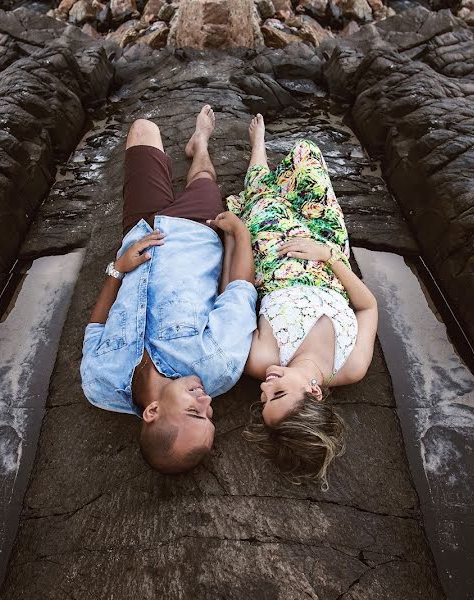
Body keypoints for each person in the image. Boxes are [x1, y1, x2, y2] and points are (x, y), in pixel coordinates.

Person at [81, 105, 257, 474]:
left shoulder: (99, 382)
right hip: (197, 230)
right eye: (210, 414)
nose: (207, 400)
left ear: (152, 412)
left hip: (141, 232)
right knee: (204, 178)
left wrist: (118, 269)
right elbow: (240, 291)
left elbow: (95, 327)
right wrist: (240, 233)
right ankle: (201, 142)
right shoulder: (217, 365)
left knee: (143, 128)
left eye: (196, 411)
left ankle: (195, 149)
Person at [227, 113, 379, 488]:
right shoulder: (352, 366)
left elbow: (238, 292)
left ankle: (258, 145)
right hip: (327, 255)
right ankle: (275, 182)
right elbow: (367, 306)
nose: (264, 388)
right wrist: (328, 256)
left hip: (275, 252)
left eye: (263, 400)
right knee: (305, 151)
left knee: (263, 197)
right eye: (277, 393)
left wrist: (238, 237)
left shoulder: (262, 359)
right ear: (314, 392)